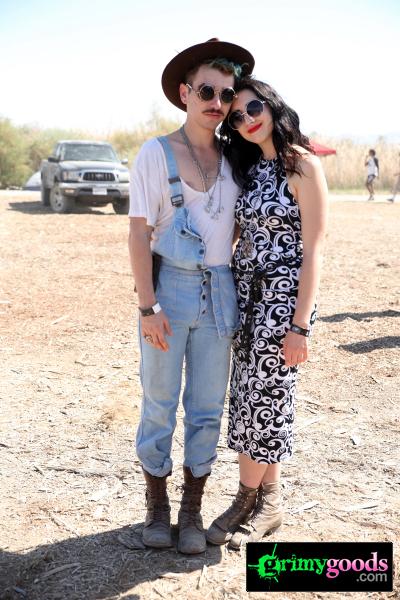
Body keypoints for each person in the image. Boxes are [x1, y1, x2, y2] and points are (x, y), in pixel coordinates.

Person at [128, 39, 255, 554]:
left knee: (206, 408)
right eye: (207, 91)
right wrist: (148, 306)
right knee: (159, 403)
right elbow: (138, 233)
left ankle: (192, 510)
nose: (217, 102)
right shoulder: (155, 153)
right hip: (170, 290)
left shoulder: (237, 158)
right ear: (185, 93)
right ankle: (157, 508)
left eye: (226, 94)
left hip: (220, 293)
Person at [206, 76, 328, 548]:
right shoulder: (252, 169)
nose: (247, 119)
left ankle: (250, 501)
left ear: (272, 105)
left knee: (268, 400)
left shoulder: (304, 165)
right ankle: (264, 499)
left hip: (282, 304)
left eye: (253, 107)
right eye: (237, 117)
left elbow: (314, 251)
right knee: (249, 401)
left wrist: (301, 326)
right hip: (246, 299)